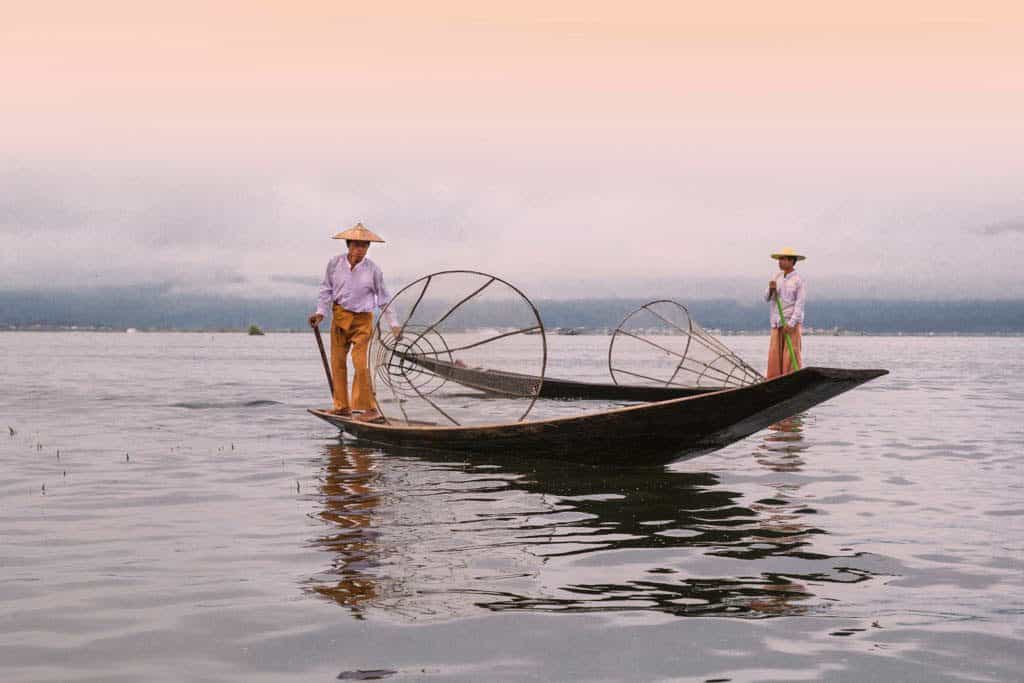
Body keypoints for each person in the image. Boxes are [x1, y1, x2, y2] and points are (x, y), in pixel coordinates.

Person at [309, 222, 401, 421]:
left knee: (361, 364)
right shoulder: (334, 264)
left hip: (362, 321)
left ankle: (367, 408)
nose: (361, 249)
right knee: (338, 363)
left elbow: (383, 298)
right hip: (340, 318)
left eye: (365, 246)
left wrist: (393, 324)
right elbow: (326, 290)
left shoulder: (373, 270)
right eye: (357, 245)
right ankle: (341, 406)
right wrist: (320, 313)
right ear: (348, 246)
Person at [765, 248, 806, 379]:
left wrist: (792, 323)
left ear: (791, 261)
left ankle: (793, 378)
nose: (780, 262)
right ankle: (774, 379)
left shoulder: (798, 280)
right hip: (777, 322)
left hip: (790, 322)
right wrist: (771, 289)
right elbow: (767, 298)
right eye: (779, 259)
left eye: (783, 259)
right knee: (775, 355)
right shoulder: (776, 278)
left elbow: (800, 304)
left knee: (791, 355)